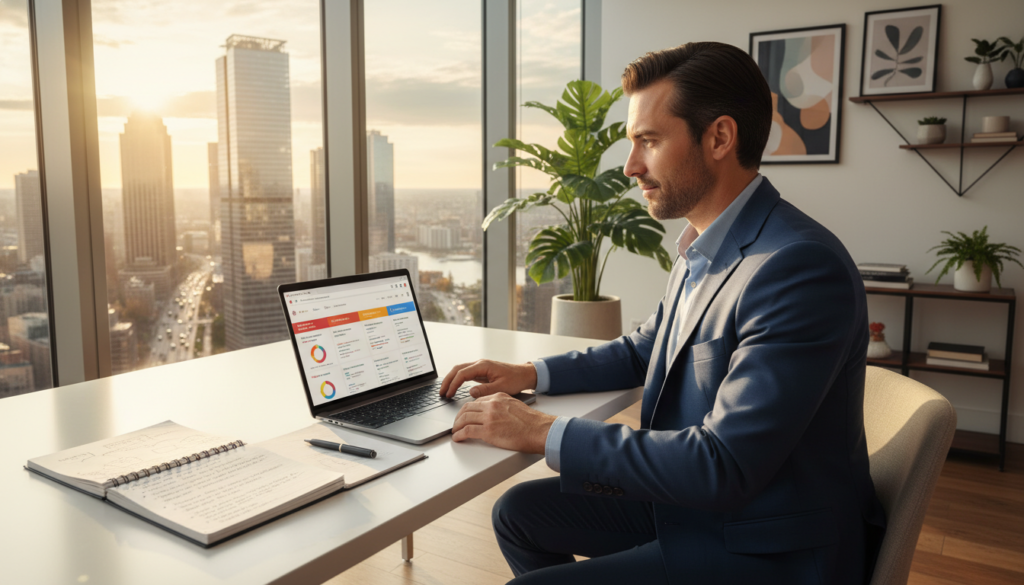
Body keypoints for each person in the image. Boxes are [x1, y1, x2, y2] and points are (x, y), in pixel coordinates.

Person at [440, 42, 886, 585]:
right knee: (519, 513)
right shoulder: (708, 243)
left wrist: (542, 431)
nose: (630, 167)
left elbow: (724, 464)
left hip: (766, 548)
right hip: (706, 508)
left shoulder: (798, 267)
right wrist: (531, 374)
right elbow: (648, 348)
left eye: (648, 141)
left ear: (719, 137)